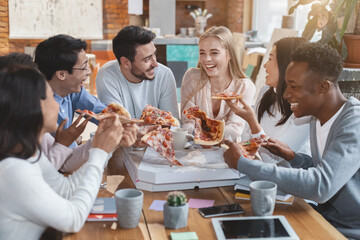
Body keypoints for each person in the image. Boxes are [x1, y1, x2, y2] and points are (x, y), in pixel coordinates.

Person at [223, 43, 360, 234]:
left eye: (293, 86)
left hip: (347, 230)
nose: (286, 94)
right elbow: (330, 168)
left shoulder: (354, 123)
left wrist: (243, 164)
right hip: (322, 216)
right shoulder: (316, 116)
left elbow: (321, 185)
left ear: (323, 87)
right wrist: (293, 157)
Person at [0, 65, 123, 239]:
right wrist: (100, 152)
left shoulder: (28, 152)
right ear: (32, 107)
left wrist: (108, 145)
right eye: (51, 97)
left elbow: (65, 189)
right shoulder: (14, 171)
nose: (57, 104)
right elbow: (73, 219)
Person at [0, 53, 138, 172]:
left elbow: (62, 166)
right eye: (46, 95)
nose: (57, 104)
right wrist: (99, 149)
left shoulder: (32, 133)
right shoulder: (12, 164)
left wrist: (103, 140)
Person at [225, 37, 310, 165]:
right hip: (256, 172)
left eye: (270, 59)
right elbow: (246, 140)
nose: (265, 65)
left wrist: (251, 120)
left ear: (286, 65)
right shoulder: (266, 92)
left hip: (285, 180)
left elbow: (272, 159)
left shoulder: (306, 112)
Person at [181, 26, 256, 142]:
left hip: (229, 152)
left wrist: (201, 131)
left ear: (229, 54)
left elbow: (234, 132)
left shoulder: (245, 87)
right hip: (196, 151)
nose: (207, 59)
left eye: (214, 53)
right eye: (202, 53)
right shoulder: (192, 77)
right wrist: (215, 133)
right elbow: (187, 125)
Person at [34, 34, 107, 148]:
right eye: (83, 68)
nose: (88, 72)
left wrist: (127, 126)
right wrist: (74, 142)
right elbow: (64, 155)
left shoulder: (73, 90)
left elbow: (102, 113)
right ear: (61, 74)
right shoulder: (38, 105)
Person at [95, 25, 179, 120]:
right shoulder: (107, 76)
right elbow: (115, 123)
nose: (155, 64)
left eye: (154, 54)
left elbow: (174, 124)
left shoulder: (164, 74)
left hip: (157, 134)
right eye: (147, 59)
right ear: (125, 62)